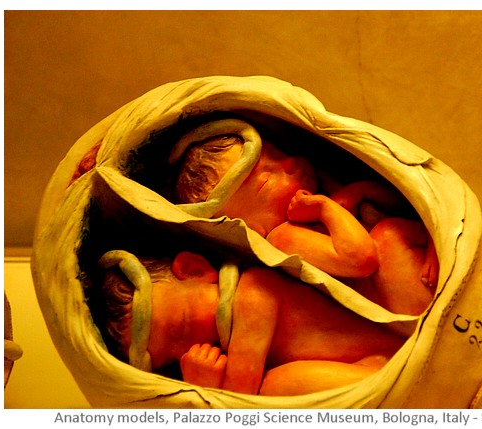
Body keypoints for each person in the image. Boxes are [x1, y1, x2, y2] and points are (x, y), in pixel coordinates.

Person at [173, 126, 438, 315]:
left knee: (397, 224)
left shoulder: (318, 190)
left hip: (421, 267)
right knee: (388, 236)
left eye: (276, 154)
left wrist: (360, 190)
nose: (289, 163)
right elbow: (361, 258)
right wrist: (326, 207)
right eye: (267, 179)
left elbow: (402, 206)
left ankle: (438, 246)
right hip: (405, 304)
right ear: (252, 228)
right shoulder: (283, 238)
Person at [98, 250, 404, 396]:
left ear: (195, 269)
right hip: (358, 375)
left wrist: (204, 387)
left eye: (182, 326)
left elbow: (242, 399)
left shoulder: (253, 292)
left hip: (377, 365)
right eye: (171, 360)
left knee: (271, 388)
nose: (189, 351)